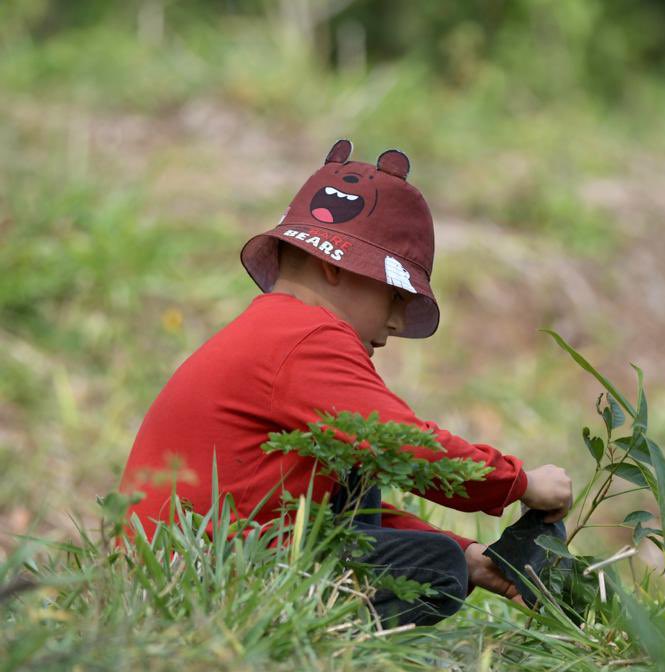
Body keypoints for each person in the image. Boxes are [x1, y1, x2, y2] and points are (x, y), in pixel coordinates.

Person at [118, 139, 573, 626]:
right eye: (396, 296)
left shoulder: (274, 332)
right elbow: (405, 444)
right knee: (433, 570)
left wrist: (469, 555)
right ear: (335, 266)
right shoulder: (308, 339)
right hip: (205, 581)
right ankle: (297, 645)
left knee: (361, 477)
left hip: (185, 570)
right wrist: (519, 483)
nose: (397, 322)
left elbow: (337, 515)